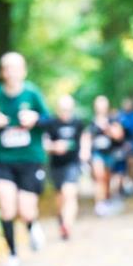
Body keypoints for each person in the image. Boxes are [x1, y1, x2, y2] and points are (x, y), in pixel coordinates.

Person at [0, 52, 51, 266]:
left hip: (29, 160)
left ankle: (32, 225)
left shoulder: (32, 93)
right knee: (6, 205)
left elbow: (49, 121)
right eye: (7, 68)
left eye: (16, 68)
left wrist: (35, 119)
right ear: (2, 72)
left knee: (26, 209)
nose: (12, 72)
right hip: (2, 161)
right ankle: (12, 254)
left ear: (23, 71)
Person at [44, 94, 89, 241]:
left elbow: (85, 138)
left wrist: (85, 152)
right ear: (58, 109)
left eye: (68, 109)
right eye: (63, 109)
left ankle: (67, 225)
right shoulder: (51, 123)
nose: (66, 112)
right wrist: (54, 147)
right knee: (60, 198)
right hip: (56, 165)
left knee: (69, 193)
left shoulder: (78, 122)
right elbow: (44, 143)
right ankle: (61, 220)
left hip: (73, 163)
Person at [87, 95, 125, 216]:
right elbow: (87, 136)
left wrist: (108, 128)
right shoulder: (92, 121)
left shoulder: (112, 119)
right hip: (96, 153)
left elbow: (119, 135)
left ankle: (105, 201)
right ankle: (99, 204)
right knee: (99, 176)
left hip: (109, 152)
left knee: (106, 179)